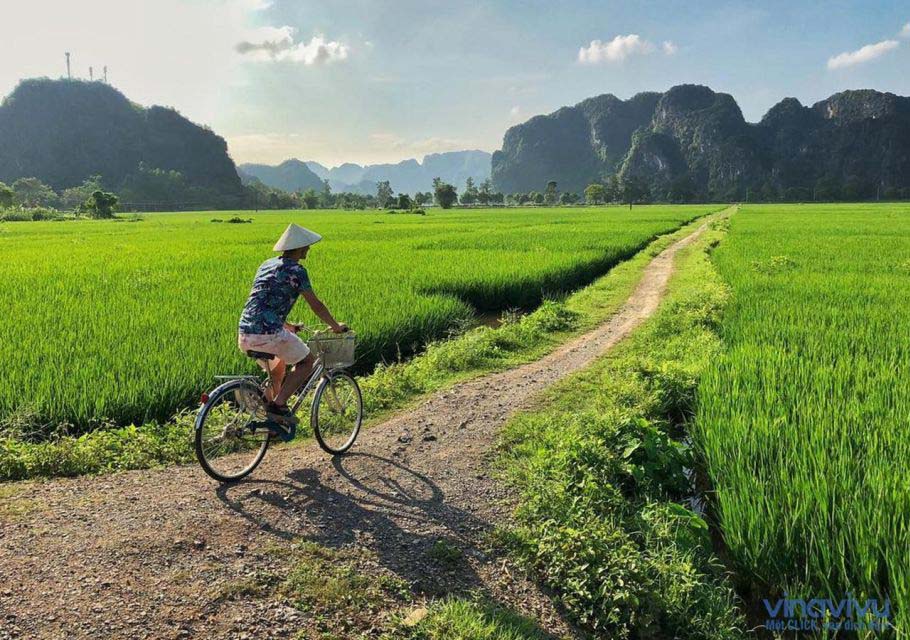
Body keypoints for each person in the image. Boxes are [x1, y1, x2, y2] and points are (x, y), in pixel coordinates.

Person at [238, 223, 347, 430]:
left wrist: (288, 325)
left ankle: (270, 422)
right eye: (306, 246)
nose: (308, 249)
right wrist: (335, 326)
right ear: (298, 248)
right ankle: (278, 407)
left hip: (245, 332)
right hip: (268, 334)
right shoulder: (297, 270)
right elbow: (315, 304)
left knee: (278, 371)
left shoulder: (266, 265)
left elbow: (263, 301)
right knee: (307, 361)